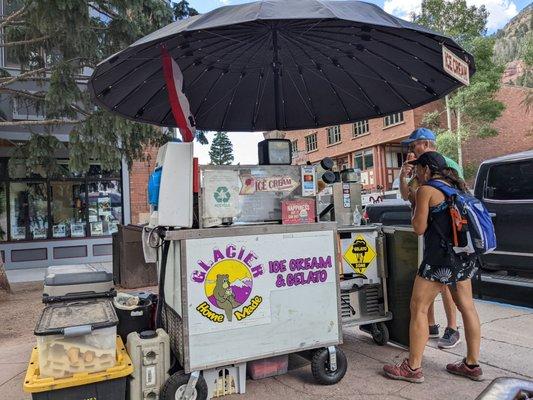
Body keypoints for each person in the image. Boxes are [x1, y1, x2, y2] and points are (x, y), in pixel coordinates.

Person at [383, 151, 482, 383]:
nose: (416, 172)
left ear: (427, 169)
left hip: (439, 261)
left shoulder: (427, 190)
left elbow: (418, 228)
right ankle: (471, 364)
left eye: (418, 168)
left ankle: (412, 368)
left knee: (418, 308)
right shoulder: (457, 188)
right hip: (463, 258)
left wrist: (417, 201)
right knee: (467, 308)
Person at [399, 128, 461, 350]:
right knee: (430, 283)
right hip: (430, 233)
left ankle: (452, 328)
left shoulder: (445, 164)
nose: (411, 149)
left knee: (445, 284)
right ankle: (432, 325)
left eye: (413, 144)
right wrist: (403, 176)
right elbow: (408, 196)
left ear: (424, 144)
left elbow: (455, 196)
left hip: (445, 236)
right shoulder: (419, 169)